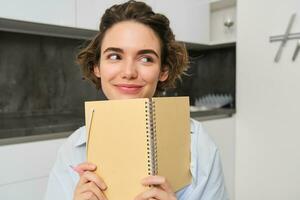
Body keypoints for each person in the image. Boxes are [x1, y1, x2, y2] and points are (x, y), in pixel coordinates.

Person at [44, 1, 228, 200]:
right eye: (115, 56)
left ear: (163, 70)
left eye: (146, 58)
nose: (129, 72)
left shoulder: (200, 146)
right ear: (96, 66)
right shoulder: (72, 151)